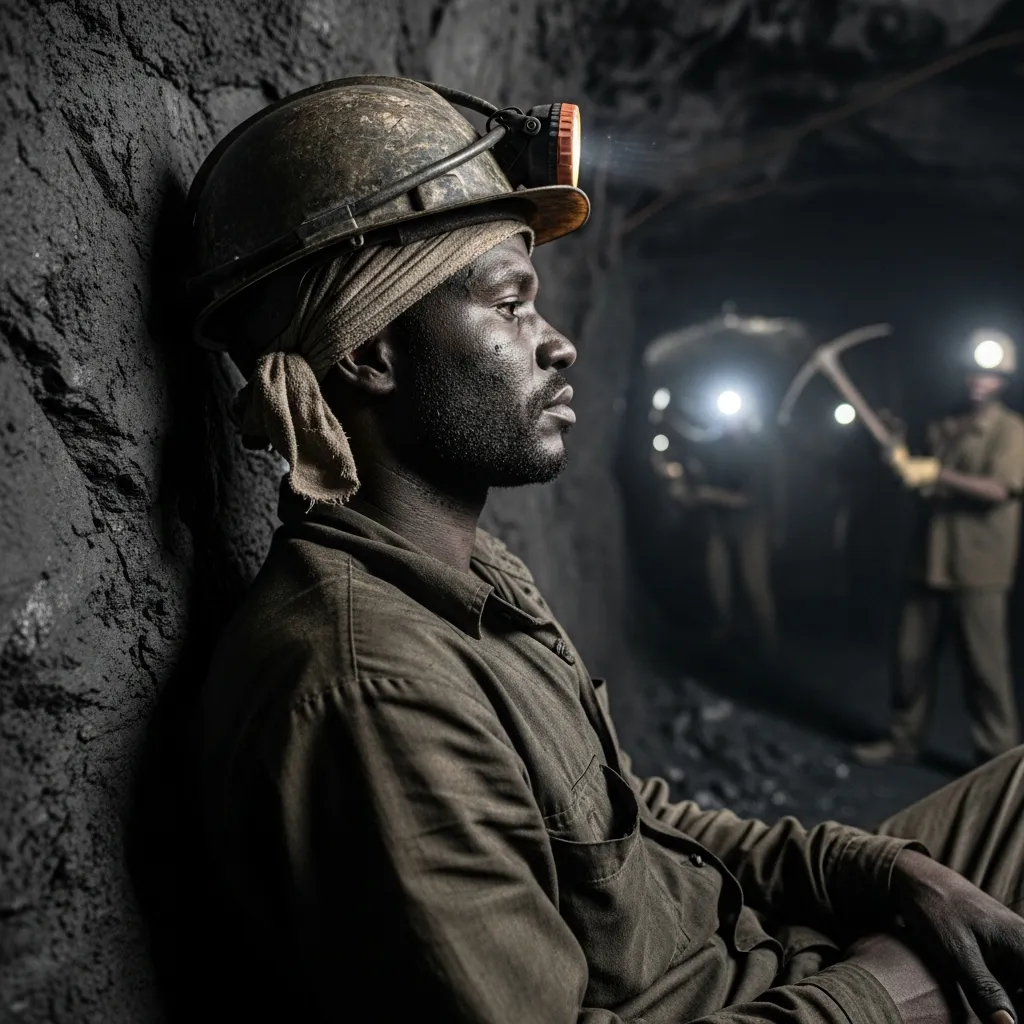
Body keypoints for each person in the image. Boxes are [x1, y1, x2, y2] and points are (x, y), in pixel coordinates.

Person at [190, 77, 1024, 1023]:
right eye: (510, 305)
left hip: (774, 955)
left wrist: (889, 874)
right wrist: (892, 990)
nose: (561, 345)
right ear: (369, 356)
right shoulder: (372, 693)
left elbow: (634, 815)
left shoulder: (475, 578)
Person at [854, 333, 1024, 768]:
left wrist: (936, 473)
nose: (979, 381)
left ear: (1003, 380)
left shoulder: (1011, 432)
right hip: (929, 559)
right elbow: (924, 485)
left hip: (979, 567)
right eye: (973, 372)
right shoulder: (942, 424)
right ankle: (902, 739)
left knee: (985, 672)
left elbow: (998, 489)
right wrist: (902, 461)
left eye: (990, 374)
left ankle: (999, 764)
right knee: (909, 657)